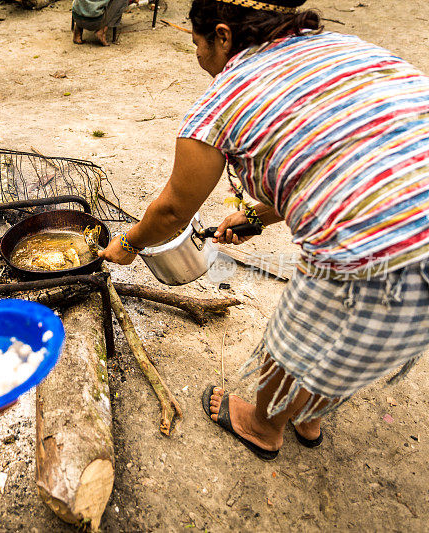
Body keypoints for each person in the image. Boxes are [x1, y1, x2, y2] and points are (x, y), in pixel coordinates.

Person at [100, 0, 429, 461]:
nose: (197, 56)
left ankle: (263, 425)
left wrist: (129, 243)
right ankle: (309, 414)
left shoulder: (221, 103)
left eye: (196, 44)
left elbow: (173, 211)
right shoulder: (338, 47)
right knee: (360, 335)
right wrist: (255, 218)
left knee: (297, 334)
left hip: (375, 247)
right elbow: (334, 158)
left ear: (222, 36)